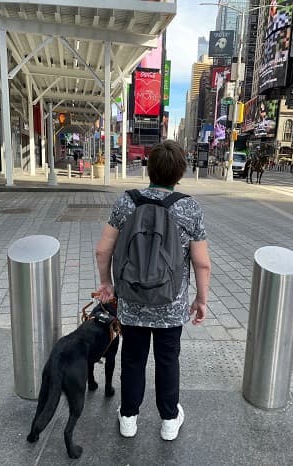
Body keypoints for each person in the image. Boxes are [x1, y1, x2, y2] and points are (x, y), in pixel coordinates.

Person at [95, 139, 211, 441]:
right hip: (171, 304)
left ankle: (129, 418)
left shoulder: (126, 201)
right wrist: (201, 299)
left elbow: (102, 250)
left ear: (149, 168)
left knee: (132, 358)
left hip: (131, 301)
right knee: (168, 359)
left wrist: (107, 284)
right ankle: (169, 419)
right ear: (180, 173)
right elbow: (201, 263)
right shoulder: (189, 208)